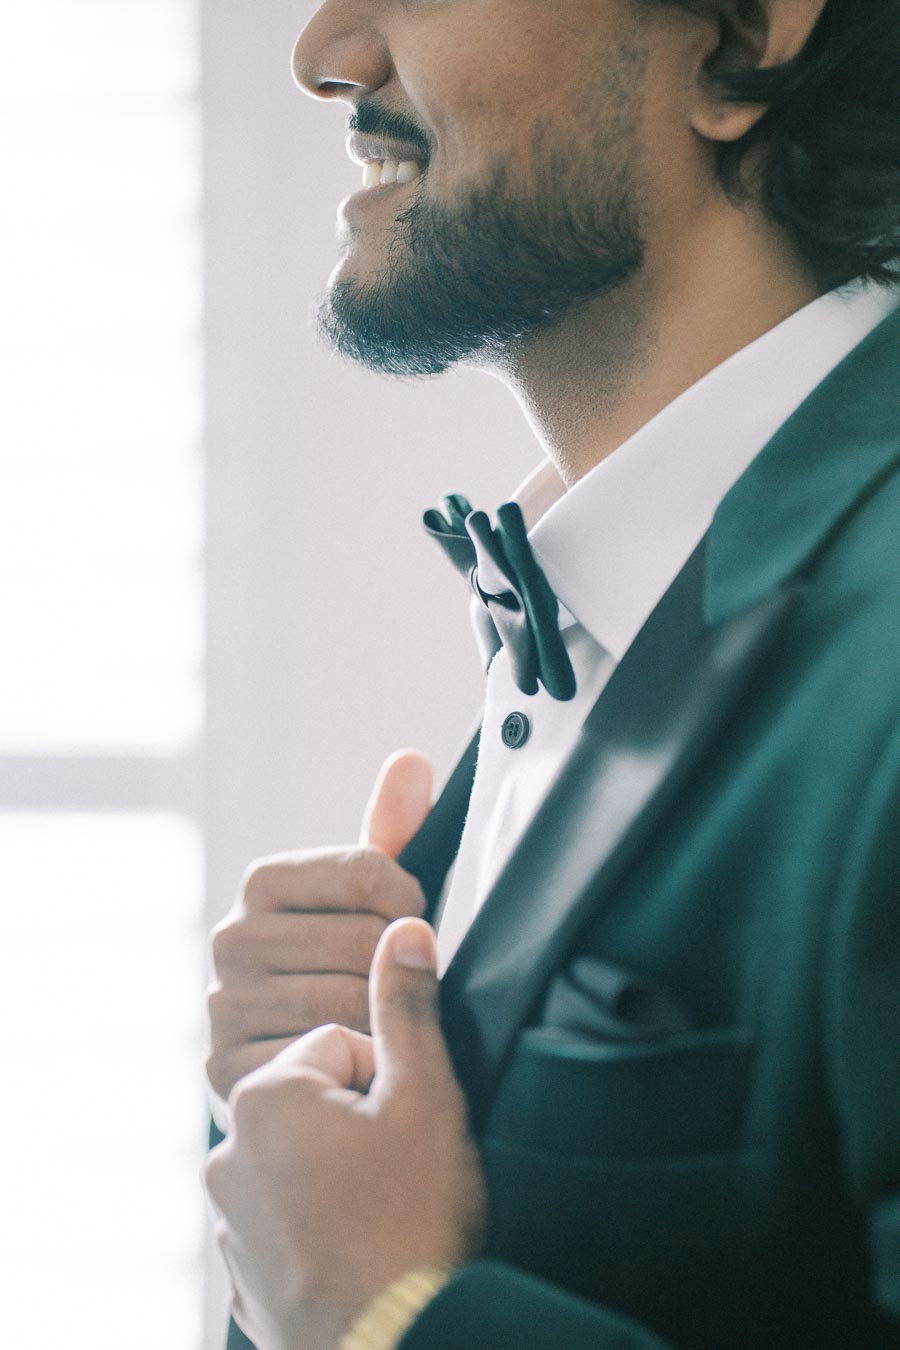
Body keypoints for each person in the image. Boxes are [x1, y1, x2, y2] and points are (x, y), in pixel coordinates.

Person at [203, 1, 900, 1347]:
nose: (323, 50)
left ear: (741, 41)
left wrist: (396, 1315)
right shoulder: (590, 599)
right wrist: (314, 1144)